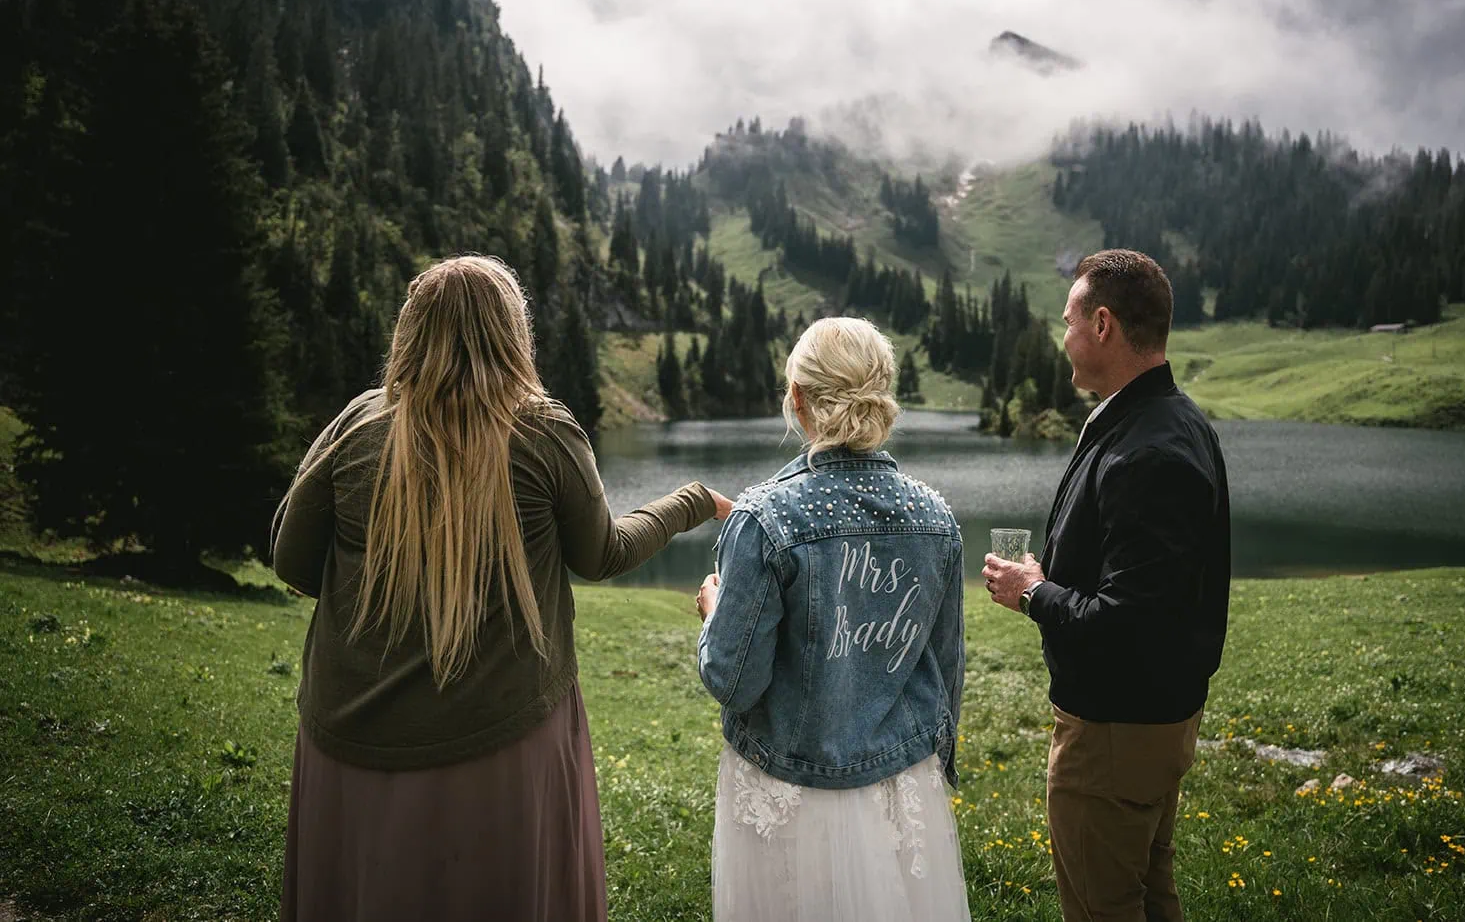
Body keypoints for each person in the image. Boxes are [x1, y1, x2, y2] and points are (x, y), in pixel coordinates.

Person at [269, 254, 731, 922]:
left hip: (351, 741)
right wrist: (692, 501)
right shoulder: (542, 431)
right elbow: (603, 553)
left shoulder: (360, 423)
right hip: (504, 744)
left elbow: (291, 559)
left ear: (410, 330)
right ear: (512, 334)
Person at [982, 249, 1231, 922]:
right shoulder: (1163, 420)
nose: (1061, 337)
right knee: (1149, 894)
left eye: (1067, 322)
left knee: (1103, 908)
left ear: (1101, 325)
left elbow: (1130, 620)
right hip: (1148, 720)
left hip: (1116, 733)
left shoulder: (1150, 449)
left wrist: (1034, 592)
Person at [694, 317, 970, 922]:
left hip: (790, 788)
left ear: (797, 398)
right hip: (903, 782)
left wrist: (714, 612)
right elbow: (947, 663)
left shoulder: (764, 516)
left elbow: (734, 681)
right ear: (883, 392)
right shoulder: (935, 515)